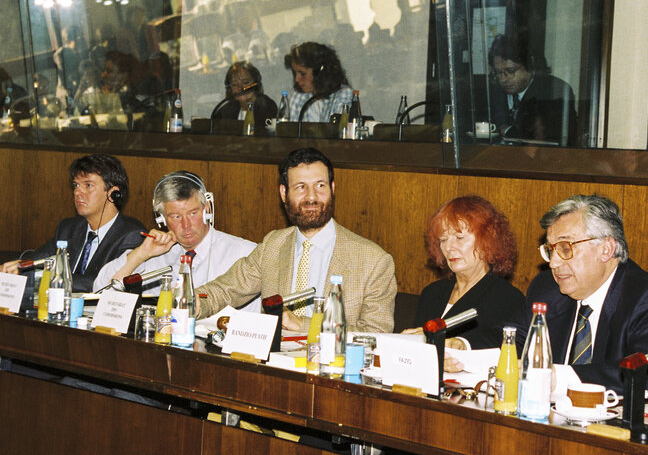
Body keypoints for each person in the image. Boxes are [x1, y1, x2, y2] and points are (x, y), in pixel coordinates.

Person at [195, 147, 396, 333]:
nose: (312, 197)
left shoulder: (374, 261)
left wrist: (303, 325)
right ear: (284, 193)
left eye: (320, 185)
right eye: (301, 187)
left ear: (333, 189)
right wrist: (189, 301)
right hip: (273, 364)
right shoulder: (273, 244)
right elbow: (224, 290)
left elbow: (376, 334)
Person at [514, 194, 648, 395]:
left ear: (606, 249)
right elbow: (512, 337)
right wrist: (468, 347)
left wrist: (558, 379)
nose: (553, 263)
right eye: (551, 250)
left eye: (565, 248)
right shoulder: (547, 288)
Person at [93, 171, 258, 310]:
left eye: (193, 213)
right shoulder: (158, 254)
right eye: (176, 216)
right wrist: (141, 254)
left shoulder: (244, 253)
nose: (186, 225)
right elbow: (100, 291)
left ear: (207, 210)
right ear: (162, 219)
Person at [402, 196, 524, 371]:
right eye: (443, 239)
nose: (449, 247)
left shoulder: (507, 298)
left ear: (487, 240)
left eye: (459, 237)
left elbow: (502, 350)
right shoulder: (432, 293)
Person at [0, 154, 146, 293]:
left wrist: (43, 276)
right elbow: (39, 259)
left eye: (88, 185)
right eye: (76, 185)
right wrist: (19, 266)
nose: (77, 192)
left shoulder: (132, 234)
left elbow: (99, 282)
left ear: (113, 194)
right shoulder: (69, 228)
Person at [488, 33, 578, 146]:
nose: (503, 79)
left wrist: (508, 131)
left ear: (530, 66)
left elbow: (551, 139)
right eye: (498, 73)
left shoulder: (554, 90)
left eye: (510, 71)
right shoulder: (492, 93)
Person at [283, 42, 353, 122]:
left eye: (302, 74)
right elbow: (290, 130)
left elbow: (339, 131)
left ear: (320, 73)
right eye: (295, 73)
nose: (297, 79)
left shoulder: (343, 94)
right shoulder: (298, 94)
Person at [212, 61, 277, 133]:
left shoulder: (267, 106)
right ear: (230, 89)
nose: (240, 88)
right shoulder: (225, 110)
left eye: (246, 83)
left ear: (256, 84)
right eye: (234, 84)